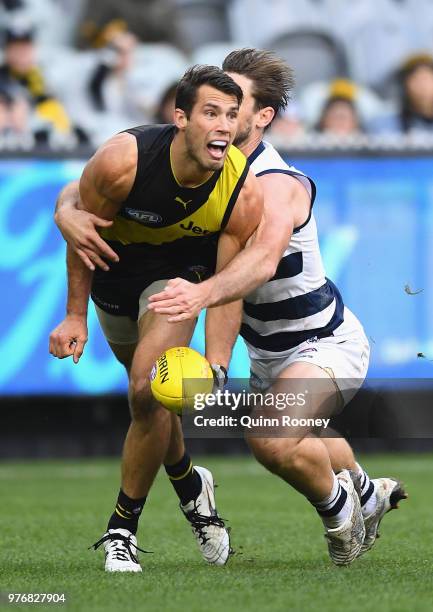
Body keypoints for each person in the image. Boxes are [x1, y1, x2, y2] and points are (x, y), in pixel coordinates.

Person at [55, 50, 407, 567]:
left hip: (321, 341)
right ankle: (362, 488)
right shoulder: (202, 155)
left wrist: (202, 296)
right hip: (266, 352)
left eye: (236, 102)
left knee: (266, 434)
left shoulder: (272, 185)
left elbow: (258, 265)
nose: (224, 110)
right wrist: (66, 211)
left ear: (261, 116)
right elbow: (101, 178)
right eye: (215, 104)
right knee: (264, 425)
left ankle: (340, 514)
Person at [49, 64, 264, 572]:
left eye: (232, 116)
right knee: (152, 403)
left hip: (176, 284)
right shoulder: (125, 159)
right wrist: (75, 315)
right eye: (211, 112)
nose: (223, 126)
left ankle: (121, 529)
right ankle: (190, 482)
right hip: (112, 280)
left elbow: (227, 285)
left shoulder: (241, 191)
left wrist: (216, 361)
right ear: (181, 117)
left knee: (148, 389)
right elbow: (81, 229)